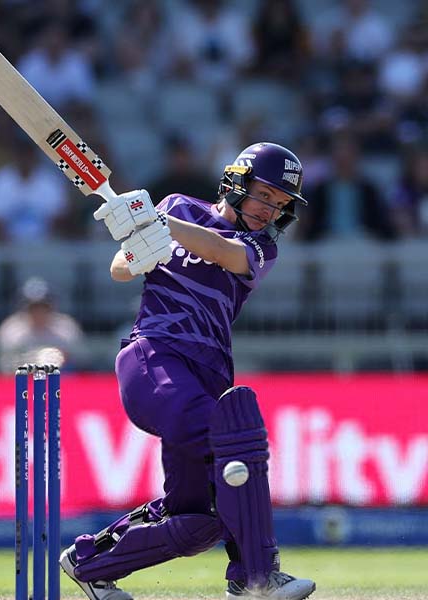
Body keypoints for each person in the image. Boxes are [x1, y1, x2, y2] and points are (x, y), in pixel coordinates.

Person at [58, 143, 316, 600]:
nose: (269, 209)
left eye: (280, 203)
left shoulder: (262, 246)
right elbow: (120, 269)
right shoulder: (177, 205)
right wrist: (139, 246)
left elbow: (220, 250)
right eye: (264, 195)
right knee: (236, 439)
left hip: (207, 376)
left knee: (197, 520)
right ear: (236, 184)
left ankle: (90, 564)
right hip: (155, 357)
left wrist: (156, 222)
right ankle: (256, 578)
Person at [0, 277, 85, 373]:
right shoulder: (11, 329)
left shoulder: (66, 327)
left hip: (60, 379)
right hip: (23, 379)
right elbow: (6, 366)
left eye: (43, 307)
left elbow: (80, 362)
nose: (38, 312)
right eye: (33, 307)